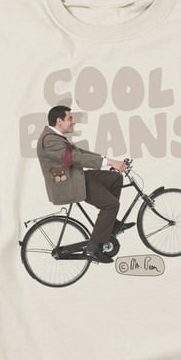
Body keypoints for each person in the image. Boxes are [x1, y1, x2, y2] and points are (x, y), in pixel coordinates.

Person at [36, 106, 134, 263]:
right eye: (70, 118)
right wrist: (109, 162)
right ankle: (93, 248)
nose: (73, 122)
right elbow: (75, 158)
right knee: (111, 205)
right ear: (59, 121)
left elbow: (80, 153)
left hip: (75, 177)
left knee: (115, 178)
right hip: (69, 184)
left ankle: (111, 224)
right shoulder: (49, 140)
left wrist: (108, 160)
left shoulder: (55, 136)